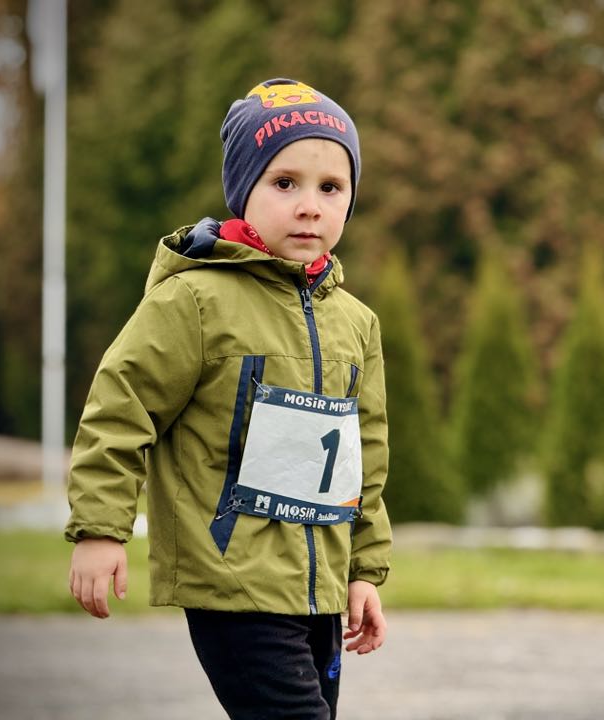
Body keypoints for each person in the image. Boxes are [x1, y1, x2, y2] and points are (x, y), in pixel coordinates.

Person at [65, 78, 391, 720]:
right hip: (233, 582)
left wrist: (363, 571)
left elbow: (363, 457)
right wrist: (102, 529)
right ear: (244, 190)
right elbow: (121, 405)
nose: (310, 206)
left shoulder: (357, 322)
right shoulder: (195, 300)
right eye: (284, 182)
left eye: (331, 188)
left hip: (318, 587)